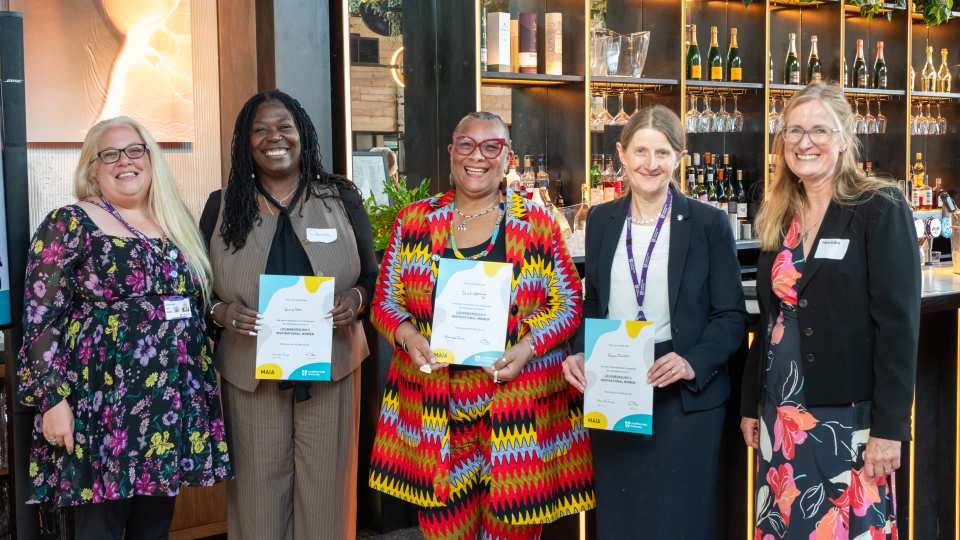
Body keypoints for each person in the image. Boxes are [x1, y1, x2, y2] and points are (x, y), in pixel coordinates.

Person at [368, 111, 595, 539]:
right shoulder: (413, 221)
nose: (479, 156)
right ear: (452, 152)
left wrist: (527, 347)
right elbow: (384, 302)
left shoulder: (537, 225)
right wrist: (408, 334)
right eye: (467, 145)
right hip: (438, 414)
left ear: (507, 158)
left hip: (519, 413)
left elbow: (568, 304)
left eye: (491, 147)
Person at [18, 116, 231, 539]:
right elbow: (40, 320)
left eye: (135, 150)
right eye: (109, 154)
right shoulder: (70, 223)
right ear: (91, 167)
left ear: (150, 159)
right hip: (101, 405)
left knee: (153, 528)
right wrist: (52, 401)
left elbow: (196, 305)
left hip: (169, 404)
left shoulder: (176, 223)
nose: (124, 162)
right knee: (100, 526)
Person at [740, 83, 920, 538]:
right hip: (781, 417)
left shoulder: (879, 206)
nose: (805, 142)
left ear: (844, 138)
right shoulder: (779, 212)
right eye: (794, 131)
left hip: (848, 418)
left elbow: (899, 327)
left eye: (819, 130)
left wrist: (890, 427)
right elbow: (770, 319)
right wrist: (750, 404)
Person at [562, 105, 747, 539]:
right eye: (640, 151)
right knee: (622, 518)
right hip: (617, 385)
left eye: (662, 152)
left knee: (683, 519)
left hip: (682, 391)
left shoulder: (708, 223)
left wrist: (691, 362)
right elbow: (594, 305)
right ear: (621, 154)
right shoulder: (602, 220)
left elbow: (730, 316)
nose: (650, 163)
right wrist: (577, 351)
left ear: (679, 157)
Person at [199, 89, 377, 540]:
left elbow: (374, 279)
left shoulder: (340, 198)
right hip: (249, 372)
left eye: (284, 127)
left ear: (302, 135)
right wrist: (222, 312)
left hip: (332, 369)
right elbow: (197, 291)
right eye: (260, 129)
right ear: (245, 141)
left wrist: (354, 302)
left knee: (327, 495)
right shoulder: (222, 207)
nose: (273, 137)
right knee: (258, 495)